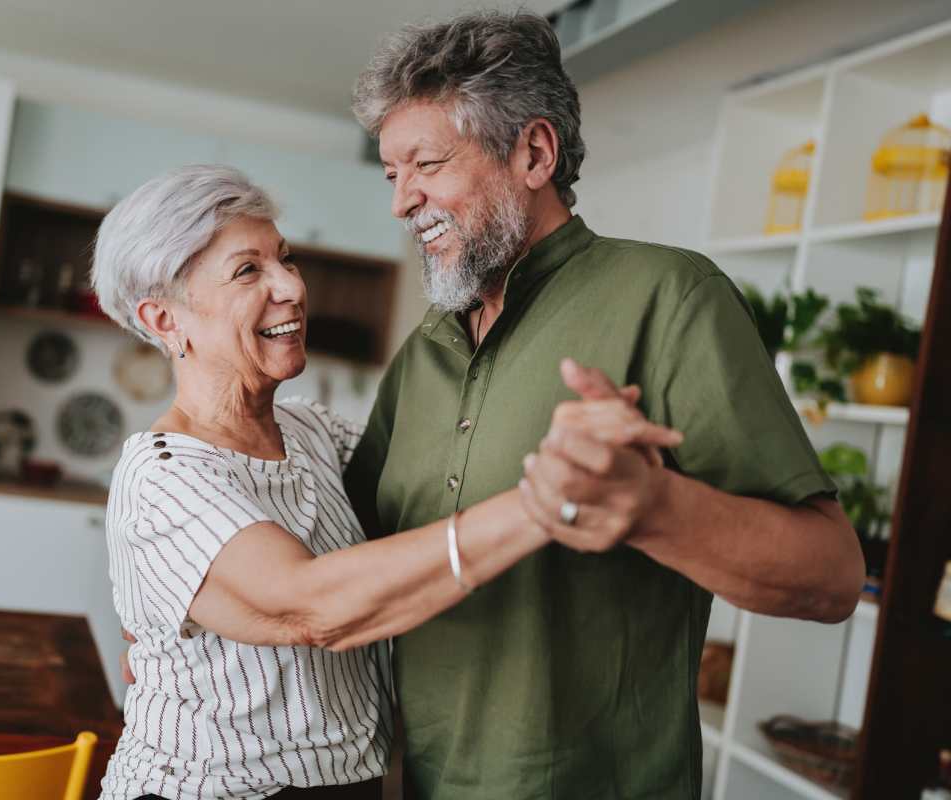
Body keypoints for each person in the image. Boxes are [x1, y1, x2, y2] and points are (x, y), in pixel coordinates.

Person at [340, 10, 866, 800]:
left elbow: (831, 576)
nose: (402, 203)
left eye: (427, 163)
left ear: (534, 152)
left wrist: (652, 505)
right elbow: (352, 563)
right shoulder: (425, 350)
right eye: (392, 174)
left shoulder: (672, 297)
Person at [88, 165, 681, 800]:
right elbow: (311, 605)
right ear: (165, 319)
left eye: (285, 259)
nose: (291, 286)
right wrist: (543, 501)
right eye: (247, 271)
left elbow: (438, 492)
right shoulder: (163, 476)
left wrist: (584, 447)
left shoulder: (313, 433)